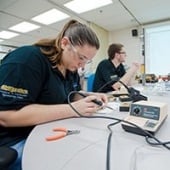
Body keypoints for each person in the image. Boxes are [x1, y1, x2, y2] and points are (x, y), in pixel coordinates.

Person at [0, 19, 108, 170]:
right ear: (64, 43)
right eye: (81, 58)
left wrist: (90, 95)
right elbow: (6, 116)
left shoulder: (70, 69)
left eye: (87, 61)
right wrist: (73, 109)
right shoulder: (27, 60)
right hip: (13, 140)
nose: (82, 65)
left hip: (47, 128)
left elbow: (69, 94)